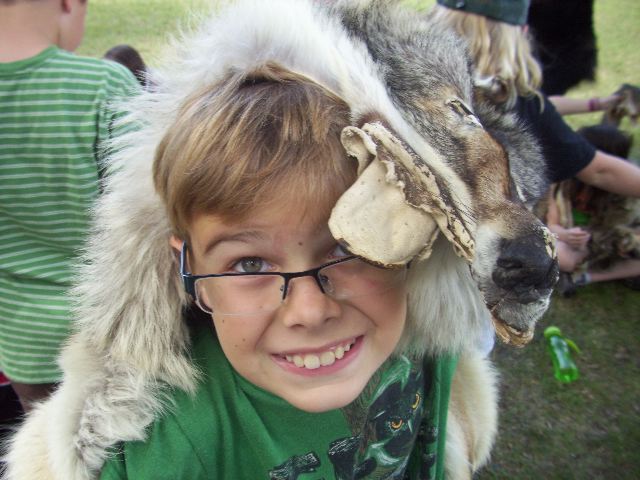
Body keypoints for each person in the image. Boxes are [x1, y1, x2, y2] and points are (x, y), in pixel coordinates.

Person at [3, 2, 498, 479]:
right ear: (190, 273)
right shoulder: (170, 448)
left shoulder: (430, 345)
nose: (309, 311)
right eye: (249, 265)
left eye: (349, 248)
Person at [0, 0, 139, 413]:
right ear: (68, 4)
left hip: (23, 345)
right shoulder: (103, 85)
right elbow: (146, 212)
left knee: (47, 445)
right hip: (109, 336)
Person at [429, 0, 640, 199]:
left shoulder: (415, 83)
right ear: (520, 34)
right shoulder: (514, 102)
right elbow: (600, 171)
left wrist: (596, 104)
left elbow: (546, 109)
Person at [546, 124, 640, 295]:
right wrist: (565, 234)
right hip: (568, 244)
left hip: (607, 245)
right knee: (562, 255)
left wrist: (601, 242)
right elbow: (552, 224)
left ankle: (585, 277)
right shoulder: (562, 181)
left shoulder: (626, 193)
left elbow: (622, 231)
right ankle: (576, 271)